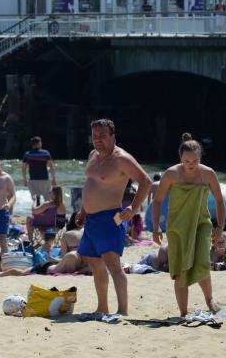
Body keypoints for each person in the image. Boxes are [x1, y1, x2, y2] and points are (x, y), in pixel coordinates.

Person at [78, 118, 151, 316]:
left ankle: (123, 311)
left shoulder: (121, 159)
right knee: (94, 263)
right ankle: (102, 307)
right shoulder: (93, 155)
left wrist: (134, 208)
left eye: (102, 135)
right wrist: (83, 210)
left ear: (113, 136)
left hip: (110, 218)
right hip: (91, 220)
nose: (98, 139)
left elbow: (146, 181)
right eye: (95, 136)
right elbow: (91, 184)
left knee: (113, 265)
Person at [152, 134, 226, 317]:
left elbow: (219, 200)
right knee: (180, 269)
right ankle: (183, 313)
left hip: (201, 224)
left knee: (202, 262)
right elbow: (157, 201)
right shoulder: (171, 174)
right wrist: (155, 227)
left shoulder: (208, 173)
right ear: (180, 158)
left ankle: (210, 301)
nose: (191, 164)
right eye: (187, 161)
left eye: (195, 160)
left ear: (200, 158)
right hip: (177, 227)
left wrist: (220, 227)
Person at [22, 136, 57, 203]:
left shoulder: (27, 154)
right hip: (44, 180)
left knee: (36, 200)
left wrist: (24, 180)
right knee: (48, 200)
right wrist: (53, 179)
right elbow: (51, 167)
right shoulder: (45, 153)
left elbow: (24, 168)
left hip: (33, 180)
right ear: (39, 143)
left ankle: (37, 213)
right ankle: (50, 213)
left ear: (32, 144)